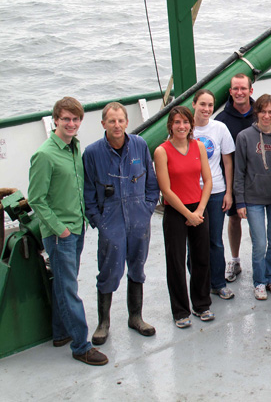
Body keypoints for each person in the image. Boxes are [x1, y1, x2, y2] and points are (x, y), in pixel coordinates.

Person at [28, 97, 108, 366]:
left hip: (77, 227)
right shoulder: (45, 155)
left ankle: (60, 332)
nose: (71, 124)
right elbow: (37, 199)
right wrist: (59, 230)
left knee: (64, 281)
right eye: (66, 119)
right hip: (61, 233)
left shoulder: (74, 147)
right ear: (55, 120)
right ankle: (81, 346)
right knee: (69, 287)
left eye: (76, 119)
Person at [83, 102, 160, 346]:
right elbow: (87, 192)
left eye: (120, 120)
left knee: (137, 267)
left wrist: (148, 208)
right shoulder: (92, 153)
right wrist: (98, 220)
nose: (117, 125)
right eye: (111, 121)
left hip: (139, 217)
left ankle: (135, 316)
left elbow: (151, 181)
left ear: (127, 122)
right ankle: (103, 323)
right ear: (103, 124)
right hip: (111, 219)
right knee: (109, 271)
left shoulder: (139, 145)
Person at [154, 106, 214, 328]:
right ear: (170, 125)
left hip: (198, 208)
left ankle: (201, 304)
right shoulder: (162, 151)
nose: (182, 126)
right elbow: (166, 189)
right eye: (177, 122)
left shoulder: (198, 146)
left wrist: (198, 211)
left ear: (191, 124)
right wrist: (188, 213)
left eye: (185, 122)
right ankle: (180, 310)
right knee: (176, 262)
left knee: (201, 258)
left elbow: (207, 181)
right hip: (175, 211)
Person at [234, 95, 271, 300]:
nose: (266, 116)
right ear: (256, 112)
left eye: (270, 112)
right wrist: (240, 201)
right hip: (253, 198)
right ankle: (258, 281)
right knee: (259, 243)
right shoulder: (244, 137)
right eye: (262, 111)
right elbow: (239, 171)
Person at [192, 89, 236, 300]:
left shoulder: (219, 128)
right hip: (191, 193)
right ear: (194, 104)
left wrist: (229, 191)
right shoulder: (184, 129)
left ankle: (218, 283)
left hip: (216, 191)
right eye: (202, 104)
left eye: (210, 105)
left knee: (215, 240)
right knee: (193, 240)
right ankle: (198, 282)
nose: (207, 109)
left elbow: (227, 161)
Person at [215, 73, 256, 283]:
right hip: (233, 179)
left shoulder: (260, 114)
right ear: (230, 92)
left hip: (258, 179)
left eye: (243, 88)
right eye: (235, 89)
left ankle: (261, 261)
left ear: (251, 90)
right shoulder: (221, 121)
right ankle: (235, 259)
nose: (239, 93)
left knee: (259, 220)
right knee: (233, 218)